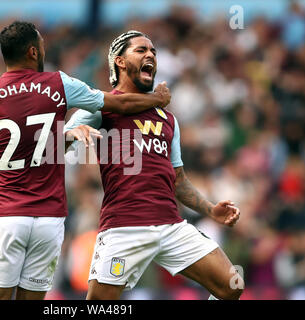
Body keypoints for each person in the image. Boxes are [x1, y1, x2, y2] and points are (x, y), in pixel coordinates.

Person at [0, 22, 171, 300]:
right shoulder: (59, 84)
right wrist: (156, 99)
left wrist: (19, 135)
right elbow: (119, 104)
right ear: (33, 51)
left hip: (7, 216)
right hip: (49, 219)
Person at [64, 30, 244, 300]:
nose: (150, 55)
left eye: (153, 52)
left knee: (232, 286)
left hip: (170, 225)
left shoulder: (168, 119)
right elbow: (53, 146)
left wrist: (210, 210)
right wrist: (70, 135)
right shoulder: (99, 107)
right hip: (124, 227)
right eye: (141, 50)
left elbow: (178, 180)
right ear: (120, 62)